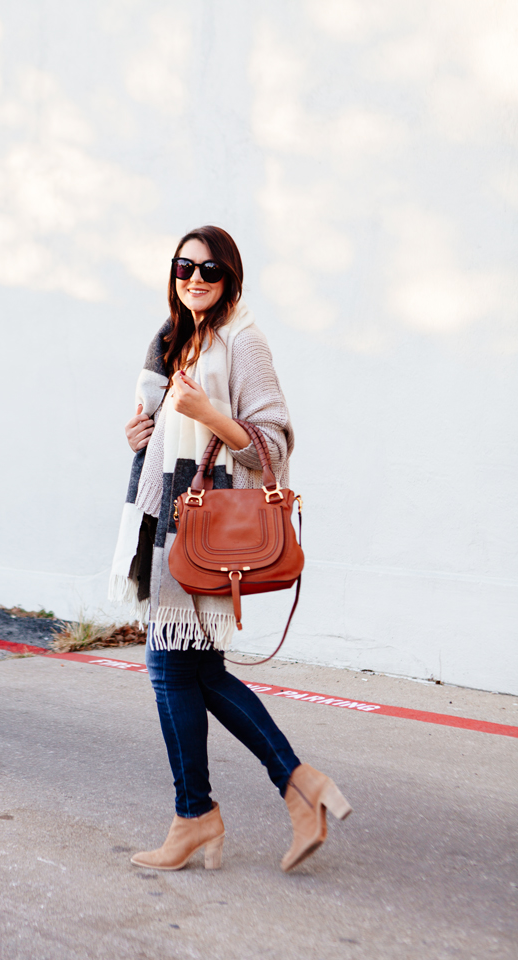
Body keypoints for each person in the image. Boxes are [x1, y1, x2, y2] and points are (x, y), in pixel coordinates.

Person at [109, 225, 351, 873]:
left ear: (231, 278)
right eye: (184, 267)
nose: (195, 278)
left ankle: (201, 814)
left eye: (209, 270)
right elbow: (168, 435)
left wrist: (209, 413)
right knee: (196, 671)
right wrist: (145, 433)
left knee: (170, 669)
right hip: (170, 527)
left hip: (205, 529)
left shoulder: (242, 339)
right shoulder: (175, 340)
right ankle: (289, 790)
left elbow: (272, 442)